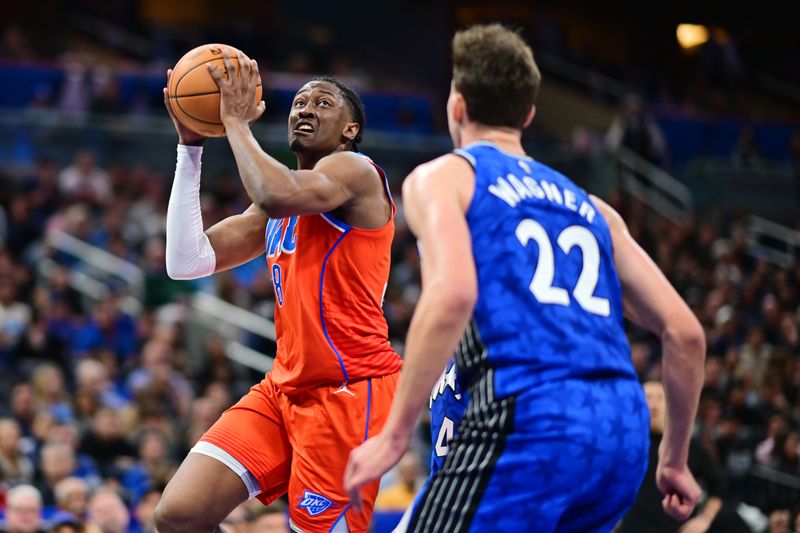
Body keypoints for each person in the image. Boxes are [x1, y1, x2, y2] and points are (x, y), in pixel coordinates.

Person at [344, 24, 705, 532]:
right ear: (529, 115)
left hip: (531, 414)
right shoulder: (596, 209)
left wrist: (395, 434)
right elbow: (685, 334)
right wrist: (673, 459)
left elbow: (452, 294)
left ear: (457, 106)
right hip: (622, 432)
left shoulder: (445, 176)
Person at [154, 49, 401, 533]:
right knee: (177, 516)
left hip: (348, 392)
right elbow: (186, 261)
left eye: (324, 103)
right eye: (300, 102)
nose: (305, 108)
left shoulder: (356, 171)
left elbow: (275, 190)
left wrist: (234, 122)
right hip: (283, 389)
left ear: (350, 130)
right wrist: (191, 145)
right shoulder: (275, 205)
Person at [619, 381, 750, 533]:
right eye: (647, 397)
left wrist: (704, 519)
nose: (653, 404)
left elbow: (719, 486)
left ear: (670, 404)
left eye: (660, 398)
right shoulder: (624, 444)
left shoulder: (688, 446)